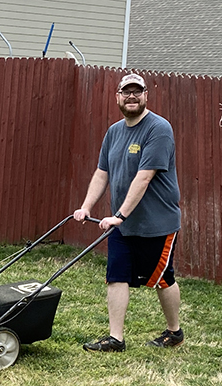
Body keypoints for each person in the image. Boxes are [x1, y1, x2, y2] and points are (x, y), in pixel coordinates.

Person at [74, 73, 183, 352]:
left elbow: (143, 178)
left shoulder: (158, 129)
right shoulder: (114, 131)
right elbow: (102, 173)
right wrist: (86, 207)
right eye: (126, 92)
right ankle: (115, 339)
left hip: (156, 223)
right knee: (116, 275)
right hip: (122, 223)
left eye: (137, 91)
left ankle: (174, 331)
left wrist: (119, 216)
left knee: (162, 279)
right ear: (117, 97)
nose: (131, 96)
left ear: (146, 95)